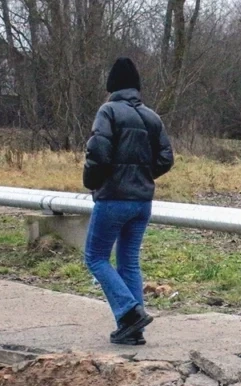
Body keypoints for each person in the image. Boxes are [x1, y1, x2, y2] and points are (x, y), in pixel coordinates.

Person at [83, 57, 174, 345]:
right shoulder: (152, 117)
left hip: (113, 199)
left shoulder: (108, 111)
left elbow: (98, 152)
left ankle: (129, 311)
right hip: (142, 202)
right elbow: (166, 158)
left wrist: (93, 182)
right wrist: (143, 175)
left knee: (95, 256)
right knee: (129, 261)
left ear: (112, 86)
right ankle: (133, 331)